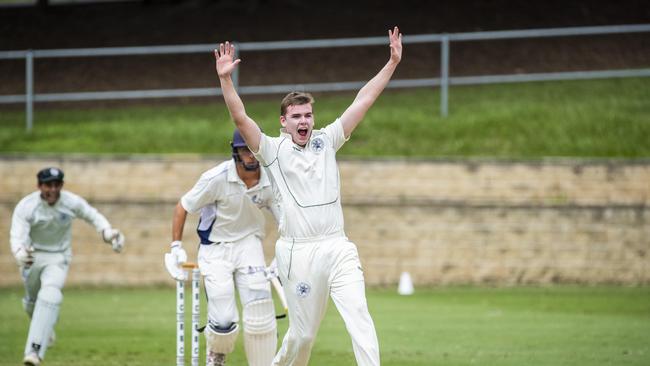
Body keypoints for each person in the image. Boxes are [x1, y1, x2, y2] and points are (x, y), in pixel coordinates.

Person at [214, 26, 402, 365]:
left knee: (359, 316)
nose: (304, 122)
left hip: (337, 246)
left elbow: (364, 99)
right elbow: (240, 118)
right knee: (302, 338)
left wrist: (392, 62)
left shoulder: (327, 140)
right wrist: (226, 80)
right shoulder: (271, 150)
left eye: (308, 115)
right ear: (283, 122)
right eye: (297, 117)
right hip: (298, 252)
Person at [164, 130, 281, 366]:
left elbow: (286, 221)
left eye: (254, 149)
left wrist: (284, 255)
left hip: (249, 245)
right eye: (244, 149)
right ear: (235, 150)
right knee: (224, 320)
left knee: (260, 312)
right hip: (216, 248)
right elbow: (183, 206)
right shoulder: (215, 178)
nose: (250, 155)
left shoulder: (272, 179)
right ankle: (216, 355)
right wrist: (175, 246)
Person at [10, 167, 125, 366]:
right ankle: (46, 330)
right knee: (32, 302)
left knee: (51, 294)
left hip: (58, 256)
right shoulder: (27, 206)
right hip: (32, 256)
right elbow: (17, 235)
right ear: (39, 186)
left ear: (61, 185)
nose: (53, 190)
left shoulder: (70, 202)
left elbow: (92, 215)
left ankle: (34, 353)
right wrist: (20, 253)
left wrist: (107, 232)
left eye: (57, 185)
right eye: (48, 185)